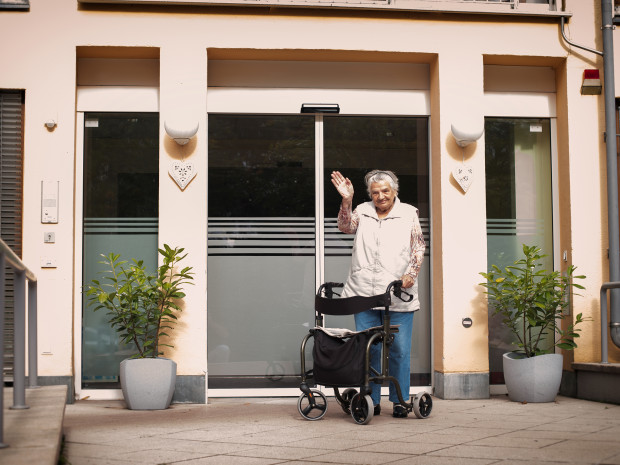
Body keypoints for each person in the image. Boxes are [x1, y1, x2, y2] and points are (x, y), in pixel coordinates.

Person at [330, 169, 425, 418]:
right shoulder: (362, 210)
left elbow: (418, 247)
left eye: (385, 191)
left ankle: (400, 400)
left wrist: (410, 275)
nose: (380, 196)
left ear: (394, 191)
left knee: (400, 350)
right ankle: (370, 399)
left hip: (396, 293)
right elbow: (344, 227)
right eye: (375, 192)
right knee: (368, 349)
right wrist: (347, 200)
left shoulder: (408, 214)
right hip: (364, 293)